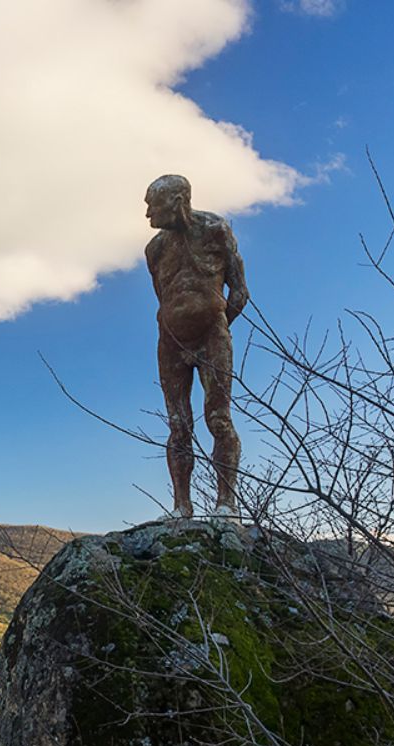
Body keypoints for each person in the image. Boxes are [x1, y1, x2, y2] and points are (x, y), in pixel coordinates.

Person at [144, 174, 247, 520]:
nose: (147, 214)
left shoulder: (215, 231)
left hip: (212, 336)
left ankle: (226, 504)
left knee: (218, 418)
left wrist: (216, 325)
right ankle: (181, 506)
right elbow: (165, 299)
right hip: (170, 341)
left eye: (152, 205)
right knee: (178, 425)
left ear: (177, 201)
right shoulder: (155, 250)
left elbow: (240, 291)